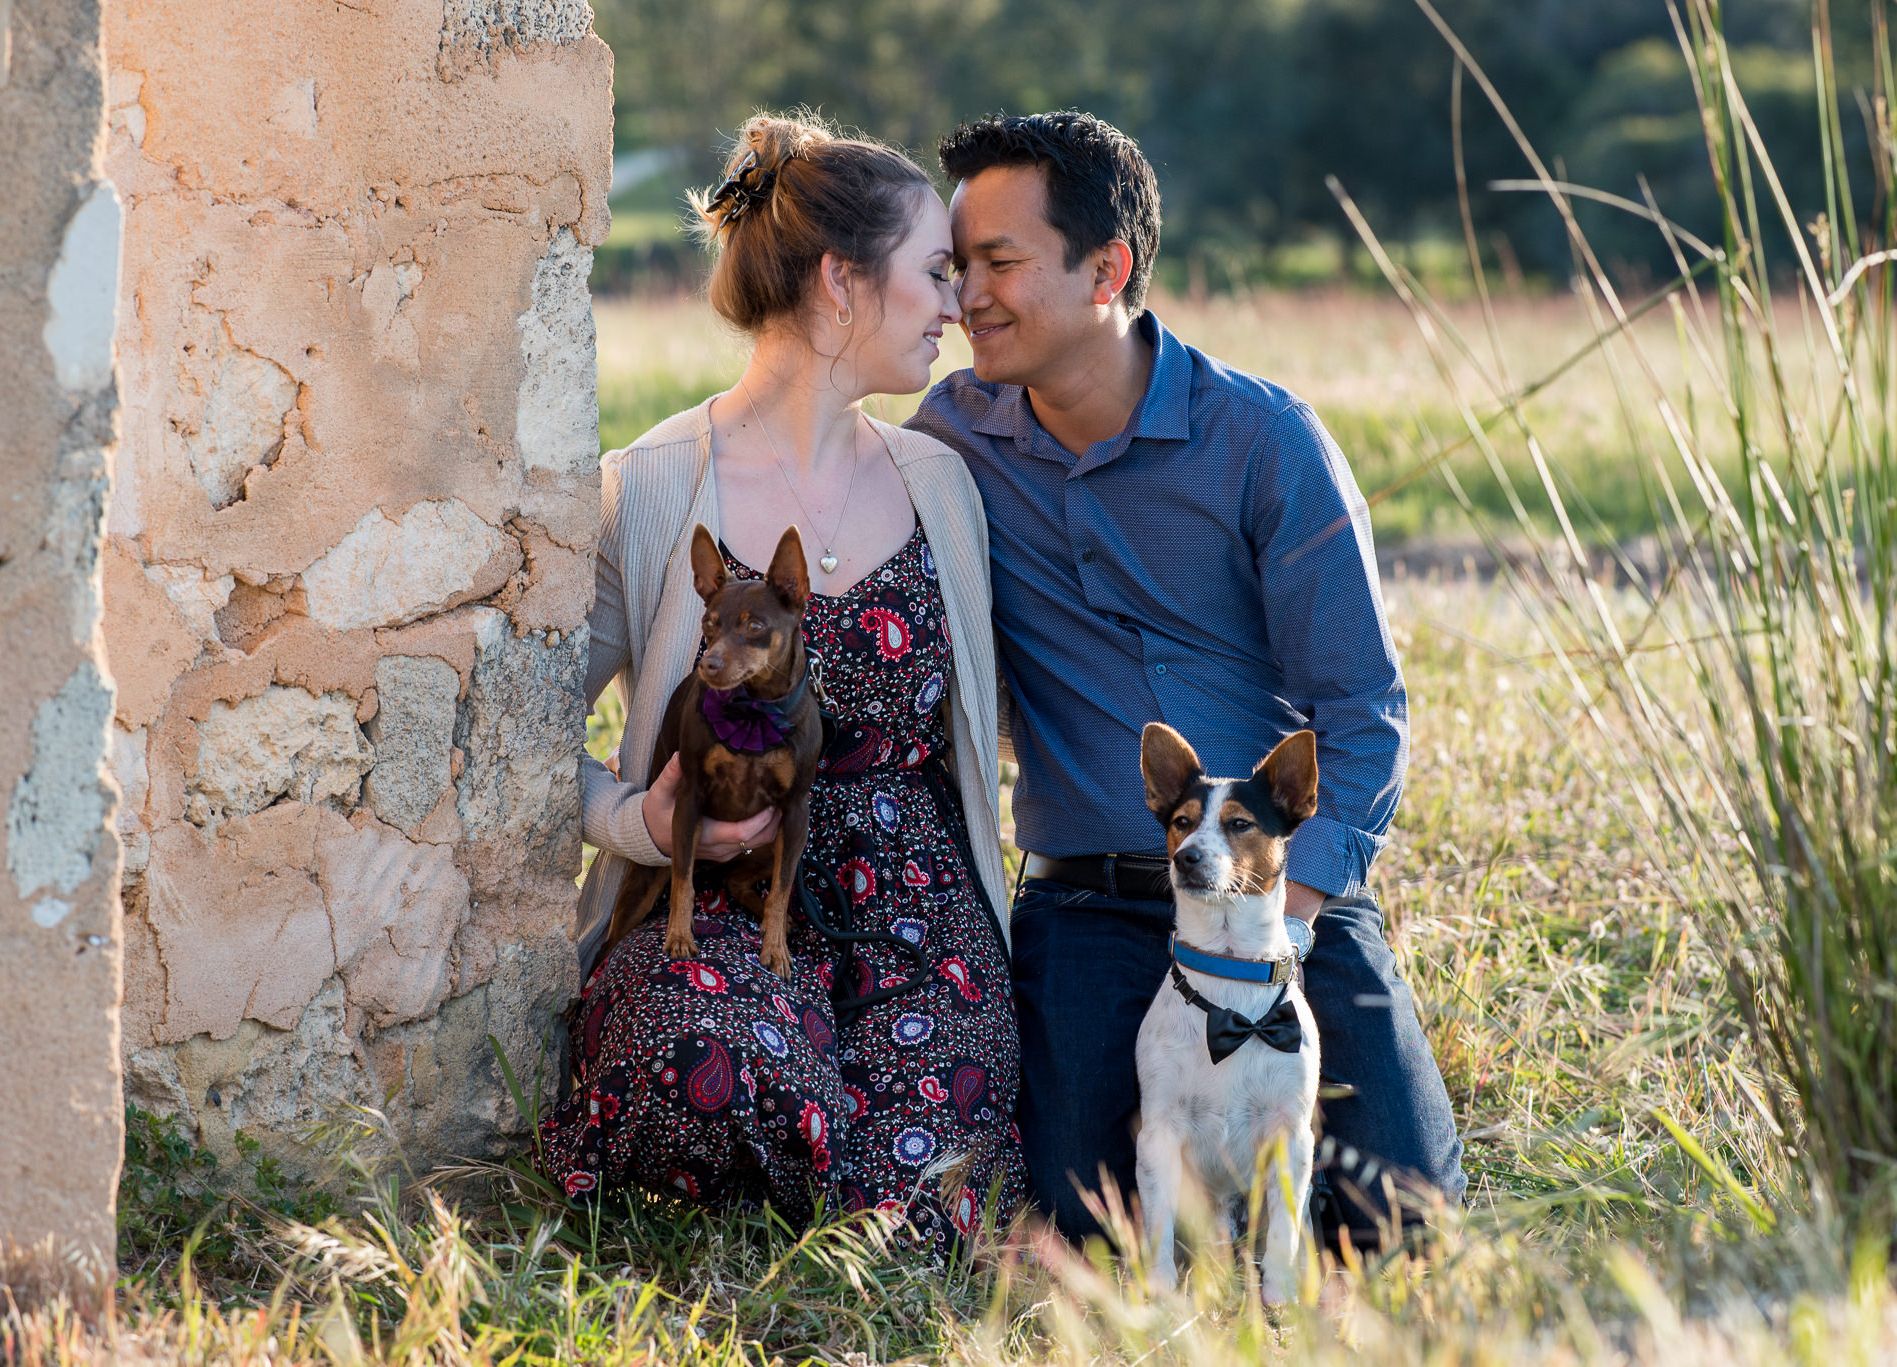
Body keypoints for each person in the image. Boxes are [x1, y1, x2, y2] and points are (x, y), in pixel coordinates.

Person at [907, 110, 1467, 1248]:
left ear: (1105, 267)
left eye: (999, 263)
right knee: (1094, 1228)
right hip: (1087, 901)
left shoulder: (1262, 442)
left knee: (1397, 1224)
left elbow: (1359, 711)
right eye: (956, 265)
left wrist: (1283, 923)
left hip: (1274, 895)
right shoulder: (946, 442)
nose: (966, 294)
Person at [542, 114, 1024, 1256]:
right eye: (934, 274)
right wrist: (636, 823)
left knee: (928, 1169)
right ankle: (771, 1149)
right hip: (715, 898)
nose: (955, 306)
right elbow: (522, 732)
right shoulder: (654, 486)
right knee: (693, 1061)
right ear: (839, 281)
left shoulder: (939, 485)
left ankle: (850, 1182)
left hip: (919, 919)